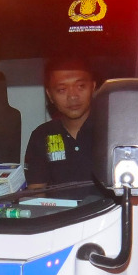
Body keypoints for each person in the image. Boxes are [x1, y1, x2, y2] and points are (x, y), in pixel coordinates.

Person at [23, 58, 98, 187]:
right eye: (62, 89)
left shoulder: (112, 131)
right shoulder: (41, 135)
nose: (73, 96)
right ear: (50, 95)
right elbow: (36, 191)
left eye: (80, 86)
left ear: (93, 87)